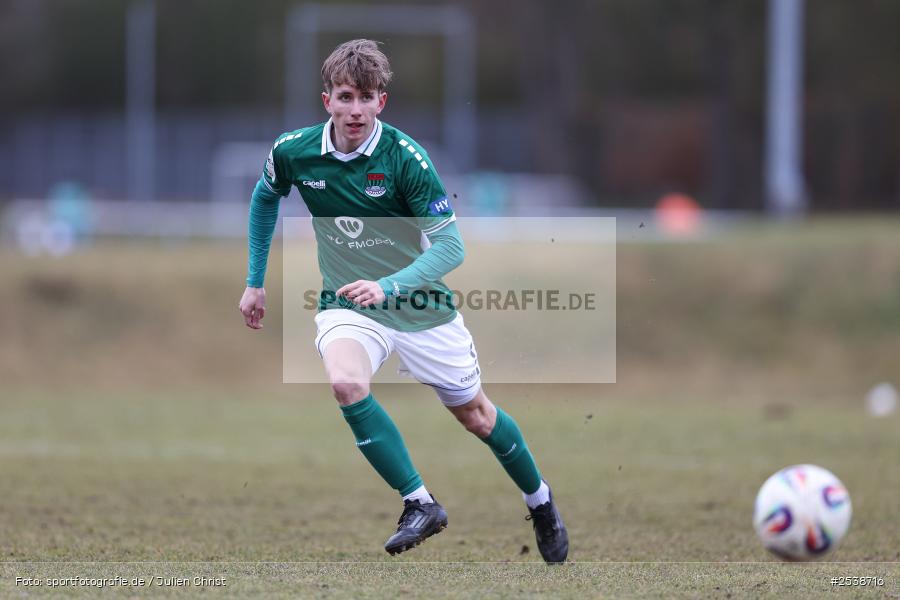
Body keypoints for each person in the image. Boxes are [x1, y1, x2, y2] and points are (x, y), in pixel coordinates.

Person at [238, 39, 568, 563]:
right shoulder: (294, 150)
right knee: (346, 383)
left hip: (420, 308)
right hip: (347, 304)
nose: (354, 110)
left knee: (478, 417)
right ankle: (420, 503)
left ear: (380, 103)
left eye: (365, 98)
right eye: (344, 96)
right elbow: (264, 197)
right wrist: (256, 281)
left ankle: (541, 499)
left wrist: (389, 285)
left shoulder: (405, 158)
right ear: (327, 99)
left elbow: (452, 246)